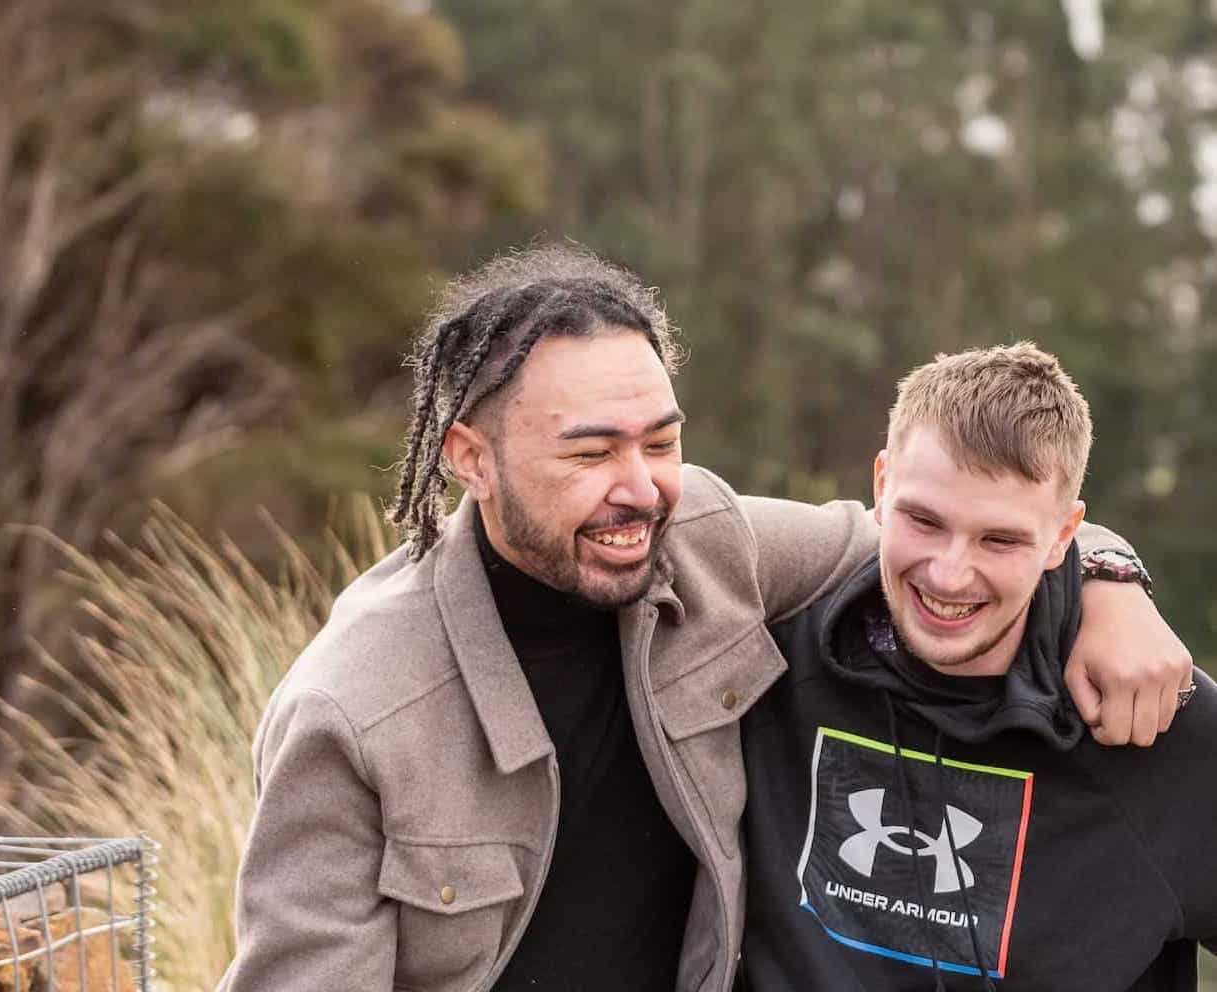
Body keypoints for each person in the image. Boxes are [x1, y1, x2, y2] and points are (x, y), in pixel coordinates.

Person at [218, 248, 1191, 992]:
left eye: (660, 439)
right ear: (469, 458)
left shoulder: (703, 541)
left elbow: (939, 538)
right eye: (589, 451)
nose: (637, 488)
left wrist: (1105, 575)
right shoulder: (353, 712)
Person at [739, 343, 1215, 991]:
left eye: (999, 539)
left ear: (1062, 534)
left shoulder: (1152, 714)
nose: (948, 574)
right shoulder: (761, 653)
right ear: (881, 485)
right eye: (923, 520)